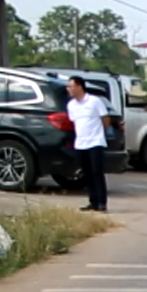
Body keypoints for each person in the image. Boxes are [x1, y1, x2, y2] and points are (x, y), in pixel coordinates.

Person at [63, 76, 110, 213]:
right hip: (81, 143)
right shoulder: (71, 105)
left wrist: (102, 133)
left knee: (97, 172)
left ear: (79, 86)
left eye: (70, 86)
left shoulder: (94, 101)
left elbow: (105, 118)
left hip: (95, 142)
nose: (69, 89)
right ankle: (92, 201)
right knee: (87, 173)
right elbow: (74, 122)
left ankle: (102, 202)